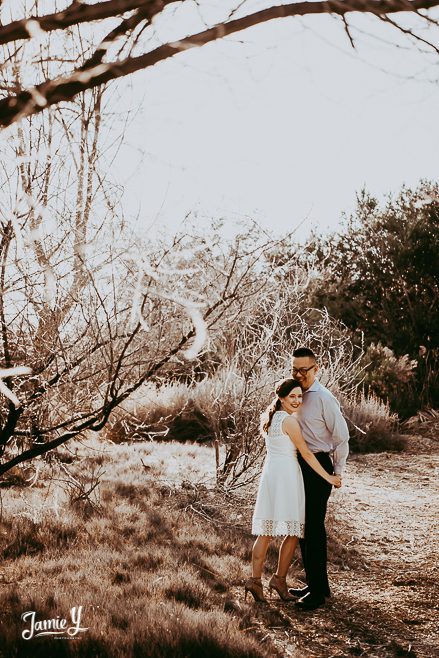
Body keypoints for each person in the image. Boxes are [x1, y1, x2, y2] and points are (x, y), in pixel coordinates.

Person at [245, 378, 341, 603]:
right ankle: (278, 579)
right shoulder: (289, 421)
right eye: (293, 397)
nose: (298, 401)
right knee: (294, 531)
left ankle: (254, 581)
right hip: (287, 476)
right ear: (281, 398)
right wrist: (329, 476)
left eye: (300, 396)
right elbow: (307, 454)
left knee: (266, 531)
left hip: (271, 475)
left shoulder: (271, 418)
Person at [288, 347, 349, 611]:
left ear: (316, 368)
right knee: (304, 528)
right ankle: (316, 584)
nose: (299, 374)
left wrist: (337, 471)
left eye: (304, 369)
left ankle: (317, 594)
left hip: (319, 465)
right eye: (295, 369)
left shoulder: (324, 399)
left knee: (313, 527)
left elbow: (341, 437)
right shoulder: (294, 394)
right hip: (298, 465)